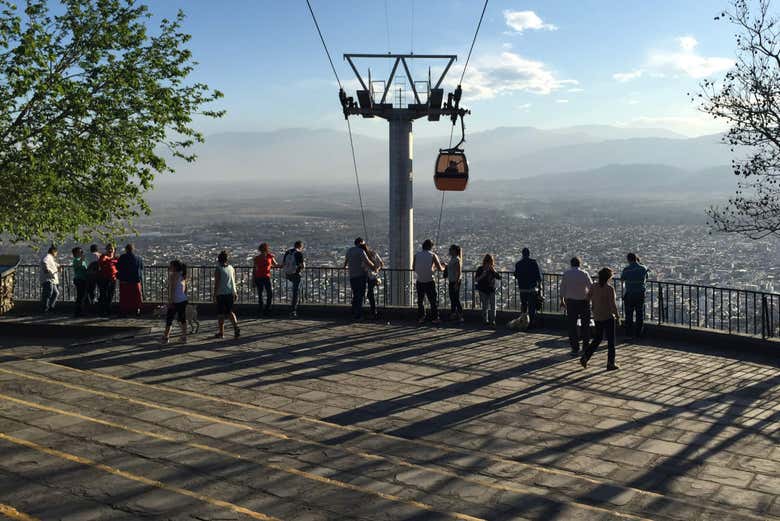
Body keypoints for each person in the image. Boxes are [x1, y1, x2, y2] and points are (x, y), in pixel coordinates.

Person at [581, 267, 620, 371]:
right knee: (611, 341)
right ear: (608, 278)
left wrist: (594, 305)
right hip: (607, 316)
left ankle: (585, 356)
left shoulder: (594, 286)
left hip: (597, 315)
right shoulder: (609, 289)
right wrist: (617, 316)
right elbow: (613, 305)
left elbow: (587, 297)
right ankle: (610, 363)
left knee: (597, 339)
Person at [560, 257, 592, 357]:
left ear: (571, 264)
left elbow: (562, 288)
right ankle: (586, 347)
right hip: (583, 302)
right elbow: (591, 287)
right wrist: (589, 299)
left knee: (572, 326)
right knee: (585, 325)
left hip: (571, 302)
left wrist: (562, 301)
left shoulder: (567, 274)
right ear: (579, 264)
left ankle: (575, 348)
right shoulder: (584, 273)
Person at [412, 239, 444, 324]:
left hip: (419, 281)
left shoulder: (416, 255)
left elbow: (413, 268)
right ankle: (435, 318)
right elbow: (440, 268)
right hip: (430, 281)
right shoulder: (433, 255)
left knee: (420, 301)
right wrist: (443, 266)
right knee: (433, 301)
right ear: (431, 247)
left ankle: (421, 317)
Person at [343, 238, 376, 320]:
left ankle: (354, 312)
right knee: (360, 295)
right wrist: (374, 267)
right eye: (363, 243)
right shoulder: (361, 251)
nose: (364, 245)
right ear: (360, 243)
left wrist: (346, 267)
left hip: (352, 276)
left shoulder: (349, 251)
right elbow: (367, 261)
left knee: (355, 295)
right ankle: (358, 315)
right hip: (360, 276)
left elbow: (345, 262)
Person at [621, 252, 649, 339]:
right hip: (640, 294)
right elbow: (646, 277)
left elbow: (622, 279)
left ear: (628, 260)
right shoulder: (643, 268)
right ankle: (638, 333)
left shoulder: (626, 269)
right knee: (639, 314)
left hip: (629, 294)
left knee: (629, 315)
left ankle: (629, 334)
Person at [514, 248, 543, 329]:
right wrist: (540, 287)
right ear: (529, 254)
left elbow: (516, 275)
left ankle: (524, 322)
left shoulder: (518, 264)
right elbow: (538, 276)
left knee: (524, 305)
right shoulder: (533, 263)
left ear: (522, 254)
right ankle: (531, 323)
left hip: (522, 288)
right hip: (532, 288)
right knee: (531, 306)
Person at [214, 251, 240, 339]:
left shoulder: (218, 269)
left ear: (219, 259)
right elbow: (233, 281)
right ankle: (236, 326)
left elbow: (217, 283)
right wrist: (235, 292)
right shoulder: (231, 268)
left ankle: (221, 332)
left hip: (221, 293)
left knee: (220, 314)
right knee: (230, 312)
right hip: (230, 293)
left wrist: (214, 294)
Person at [162, 260, 188, 345]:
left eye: (171, 266)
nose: (169, 267)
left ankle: (166, 337)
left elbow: (172, 289)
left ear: (175, 267)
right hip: (183, 300)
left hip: (175, 300)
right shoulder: (183, 275)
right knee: (182, 319)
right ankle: (184, 337)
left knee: (169, 319)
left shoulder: (173, 275)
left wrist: (170, 300)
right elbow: (184, 289)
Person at [116, 244, 144, 316]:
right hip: (135, 280)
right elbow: (141, 268)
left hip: (124, 280)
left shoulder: (122, 257)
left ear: (126, 249)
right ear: (133, 249)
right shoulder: (139, 258)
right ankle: (137, 309)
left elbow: (118, 267)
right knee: (136, 296)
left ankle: (124, 311)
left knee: (125, 296)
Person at [475, 254, 502, 326]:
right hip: (483, 290)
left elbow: (499, 277)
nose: (488, 264)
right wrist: (483, 275)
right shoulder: (480, 269)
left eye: (490, 262)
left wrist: (494, 270)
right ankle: (485, 320)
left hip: (491, 289)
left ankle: (492, 320)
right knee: (485, 306)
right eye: (487, 262)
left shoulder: (492, 270)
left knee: (492, 306)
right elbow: (477, 279)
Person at [253, 243, 278, 316]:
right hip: (264, 277)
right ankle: (266, 309)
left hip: (261, 277)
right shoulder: (268, 256)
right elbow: (276, 265)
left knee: (263, 293)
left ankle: (262, 309)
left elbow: (254, 270)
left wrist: (253, 279)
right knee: (266, 293)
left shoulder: (259, 258)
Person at [282, 241, 305, 318]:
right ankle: (293, 311)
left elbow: (284, 263)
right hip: (296, 274)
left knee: (295, 290)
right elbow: (302, 266)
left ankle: (295, 307)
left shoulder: (288, 252)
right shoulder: (298, 253)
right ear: (300, 246)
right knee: (296, 292)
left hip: (288, 274)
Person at [362, 242, 384, 319]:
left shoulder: (362, 255)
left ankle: (373, 311)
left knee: (367, 294)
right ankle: (373, 311)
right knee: (370, 294)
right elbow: (381, 263)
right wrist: (377, 270)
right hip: (373, 277)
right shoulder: (374, 253)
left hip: (366, 276)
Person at [97, 244, 118, 316]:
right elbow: (101, 263)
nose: (110, 250)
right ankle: (103, 311)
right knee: (104, 295)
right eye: (109, 249)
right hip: (104, 279)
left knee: (110, 295)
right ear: (106, 249)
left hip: (113, 279)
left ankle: (108, 310)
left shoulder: (116, 258)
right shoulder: (103, 257)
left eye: (112, 249)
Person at [446, 245, 464, 322]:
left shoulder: (456, 259)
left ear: (454, 251)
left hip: (455, 282)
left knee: (455, 299)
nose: (449, 251)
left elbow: (458, 272)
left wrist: (457, 283)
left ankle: (460, 315)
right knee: (453, 298)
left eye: (450, 249)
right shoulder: (453, 259)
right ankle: (454, 314)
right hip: (452, 281)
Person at [40, 245, 59, 313]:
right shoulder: (48, 256)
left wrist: (58, 267)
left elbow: (54, 264)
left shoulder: (51, 258)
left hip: (51, 279)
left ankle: (50, 307)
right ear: (54, 252)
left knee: (55, 293)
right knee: (48, 293)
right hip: (48, 279)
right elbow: (44, 262)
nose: (56, 254)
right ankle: (45, 308)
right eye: (56, 252)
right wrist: (46, 269)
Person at [71, 247, 88, 317]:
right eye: (79, 252)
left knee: (82, 296)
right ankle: (78, 311)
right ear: (75, 253)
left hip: (83, 279)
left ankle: (80, 311)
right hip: (79, 279)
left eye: (81, 252)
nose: (81, 253)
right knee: (80, 296)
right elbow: (79, 266)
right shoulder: (76, 260)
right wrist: (82, 259)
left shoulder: (82, 260)